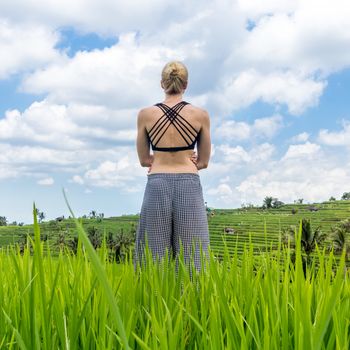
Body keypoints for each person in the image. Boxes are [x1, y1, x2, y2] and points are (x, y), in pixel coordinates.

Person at [134, 61, 211, 271]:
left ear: (162, 84)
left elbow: (143, 160)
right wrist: (192, 160)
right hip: (188, 182)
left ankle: (152, 301)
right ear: (185, 85)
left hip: (157, 182)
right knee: (193, 255)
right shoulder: (200, 115)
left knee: (152, 255)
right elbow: (204, 161)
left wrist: (157, 160)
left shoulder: (145, 114)